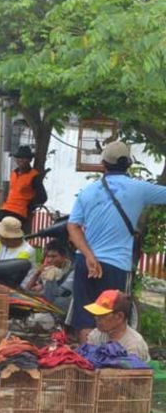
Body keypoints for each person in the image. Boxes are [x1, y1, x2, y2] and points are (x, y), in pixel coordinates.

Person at [68, 141, 166, 342]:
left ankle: (89, 364)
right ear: (128, 164)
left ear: (103, 164)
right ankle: (109, 367)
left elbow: (73, 227)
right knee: (113, 321)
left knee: (85, 318)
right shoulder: (140, 189)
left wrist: (88, 255)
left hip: (85, 264)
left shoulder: (87, 192)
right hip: (115, 265)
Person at [0, 145, 47, 238]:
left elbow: (43, 197)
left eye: (24, 158)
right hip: (7, 207)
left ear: (29, 160)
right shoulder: (13, 173)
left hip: (20, 211)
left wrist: (29, 206)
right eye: (18, 157)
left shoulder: (34, 176)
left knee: (6, 226)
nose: (20, 160)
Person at [84, 290, 150, 361]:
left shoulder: (133, 345)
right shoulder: (96, 335)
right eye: (96, 314)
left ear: (119, 316)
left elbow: (133, 371)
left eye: (102, 315)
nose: (96, 317)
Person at [23, 239, 73, 307]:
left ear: (64, 257)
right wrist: (37, 274)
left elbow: (51, 296)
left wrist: (31, 293)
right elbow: (27, 289)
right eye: (48, 256)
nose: (49, 260)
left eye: (53, 256)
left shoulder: (71, 272)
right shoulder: (48, 270)